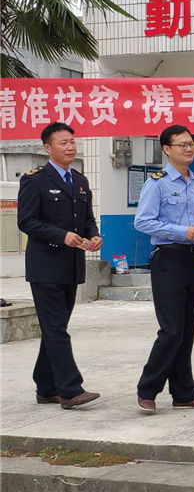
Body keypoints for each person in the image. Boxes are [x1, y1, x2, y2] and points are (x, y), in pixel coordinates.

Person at [17, 122, 103, 409]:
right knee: (56, 329)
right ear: (47, 148)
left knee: (56, 327)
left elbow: (87, 218)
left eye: (72, 142)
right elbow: (27, 221)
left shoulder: (80, 180)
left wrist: (94, 235)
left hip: (71, 266)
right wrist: (62, 236)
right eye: (63, 143)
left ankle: (45, 387)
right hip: (45, 266)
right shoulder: (35, 180)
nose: (70, 147)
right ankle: (69, 390)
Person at [134, 125, 194, 413]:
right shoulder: (156, 183)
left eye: (192, 144)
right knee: (171, 330)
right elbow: (143, 222)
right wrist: (182, 232)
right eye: (182, 145)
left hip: (193, 259)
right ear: (167, 149)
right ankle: (147, 389)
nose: (190, 148)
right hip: (167, 258)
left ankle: (184, 392)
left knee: (187, 329)